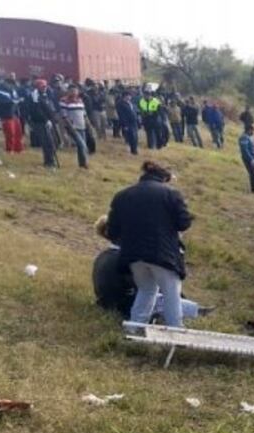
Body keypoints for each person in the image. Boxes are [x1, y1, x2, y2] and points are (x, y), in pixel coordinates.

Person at [105, 161, 193, 328]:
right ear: (164, 178)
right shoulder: (171, 194)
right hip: (162, 253)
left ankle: (134, 329)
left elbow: (113, 231)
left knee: (145, 291)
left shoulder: (122, 195)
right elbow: (184, 223)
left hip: (133, 254)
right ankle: (175, 331)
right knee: (171, 294)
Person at [92, 215, 204, 320]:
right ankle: (195, 311)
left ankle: (192, 309)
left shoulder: (106, 255)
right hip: (123, 308)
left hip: (109, 303)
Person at [25, 79, 58, 167]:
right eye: (42, 86)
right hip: (40, 122)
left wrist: (52, 118)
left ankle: (50, 161)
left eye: (45, 86)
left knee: (51, 142)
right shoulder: (34, 96)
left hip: (48, 121)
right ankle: (49, 163)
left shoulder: (45, 95)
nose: (45, 88)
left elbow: (48, 107)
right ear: (37, 87)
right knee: (47, 143)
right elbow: (37, 110)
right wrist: (46, 120)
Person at [59, 86, 90, 168]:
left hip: (82, 125)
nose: (74, 92)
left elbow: (84, 114)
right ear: (68, 91)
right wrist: (70, 126)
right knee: (82, 144)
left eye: (75, 91)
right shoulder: (64, 101)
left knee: (81, 146)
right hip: (72, 126)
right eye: (72, 91)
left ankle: (82, 164)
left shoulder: (80, 101)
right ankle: (85, 163)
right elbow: (64, 115)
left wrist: (88, 124)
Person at [0, 78, 24, 153]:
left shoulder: (12, 90)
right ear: (7, 83)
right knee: (10, 133)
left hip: (14, 113)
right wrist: (18, 100)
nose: (13, 87)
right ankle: (10, 149)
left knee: (18, 132)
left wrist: (17, 100)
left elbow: (14, 98)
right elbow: (7, 101)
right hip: (6, 114)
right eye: (11, 85)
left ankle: (18, 148)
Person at [239, 123, 254, 194]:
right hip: (249, 159)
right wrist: (251, 159)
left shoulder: (249, 137)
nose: (253, 132)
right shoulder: (244, 137)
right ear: (248, 130)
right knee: (253, 174)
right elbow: (245, 150)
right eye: (252, 130)